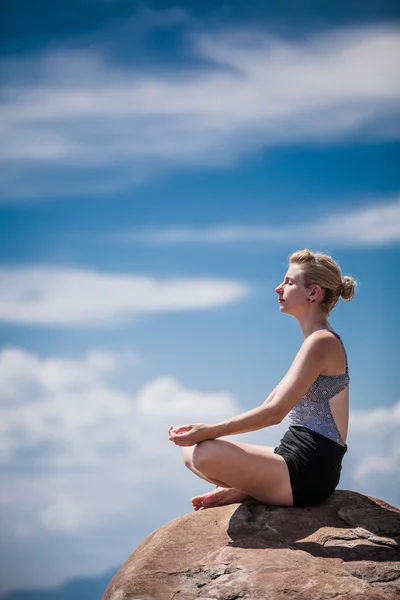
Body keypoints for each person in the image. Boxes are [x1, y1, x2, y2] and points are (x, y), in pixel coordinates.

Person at [169, 249, 357, 510]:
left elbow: (274, 413)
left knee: (204, 452)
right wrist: (203, 432)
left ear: (314, 293)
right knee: (191, 451)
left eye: (289, 282)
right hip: (289, 455)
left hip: (308, 472)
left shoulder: (322, 342)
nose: (278, 288)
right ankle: (250, 488)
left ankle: (249, 488)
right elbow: (270, 403)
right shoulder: (314, 342)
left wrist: (210, 431)